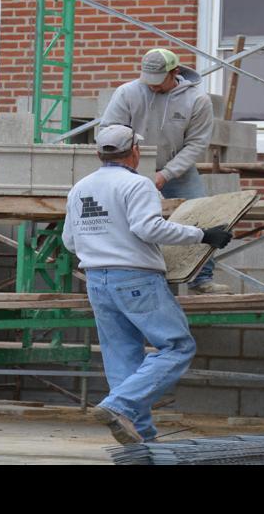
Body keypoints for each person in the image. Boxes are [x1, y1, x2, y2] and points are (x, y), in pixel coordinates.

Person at [64, 124, 234, 444]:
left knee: (122, 356)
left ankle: (140, 436)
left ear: (98, 152)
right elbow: (149, 229)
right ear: (135, 152)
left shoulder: (80, 188)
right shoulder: (137, 184)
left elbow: (70, 241)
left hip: (96, 280)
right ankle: (119, 405)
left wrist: (104, 245)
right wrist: (202, 235)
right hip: (135, 277)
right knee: (177, 346)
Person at [99, 48, 227, 293]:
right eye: (149, 82)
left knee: (202, 214)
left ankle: (201, 278)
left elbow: (196, 144)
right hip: (128, 166)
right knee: (129, 219)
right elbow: (109, 130)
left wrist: (166, 174)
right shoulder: (127, 93)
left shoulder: (197, 101)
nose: (153, 87)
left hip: (178, 171)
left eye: (158, 82)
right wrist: (130, 163)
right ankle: (140, 275)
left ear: (174, 72)